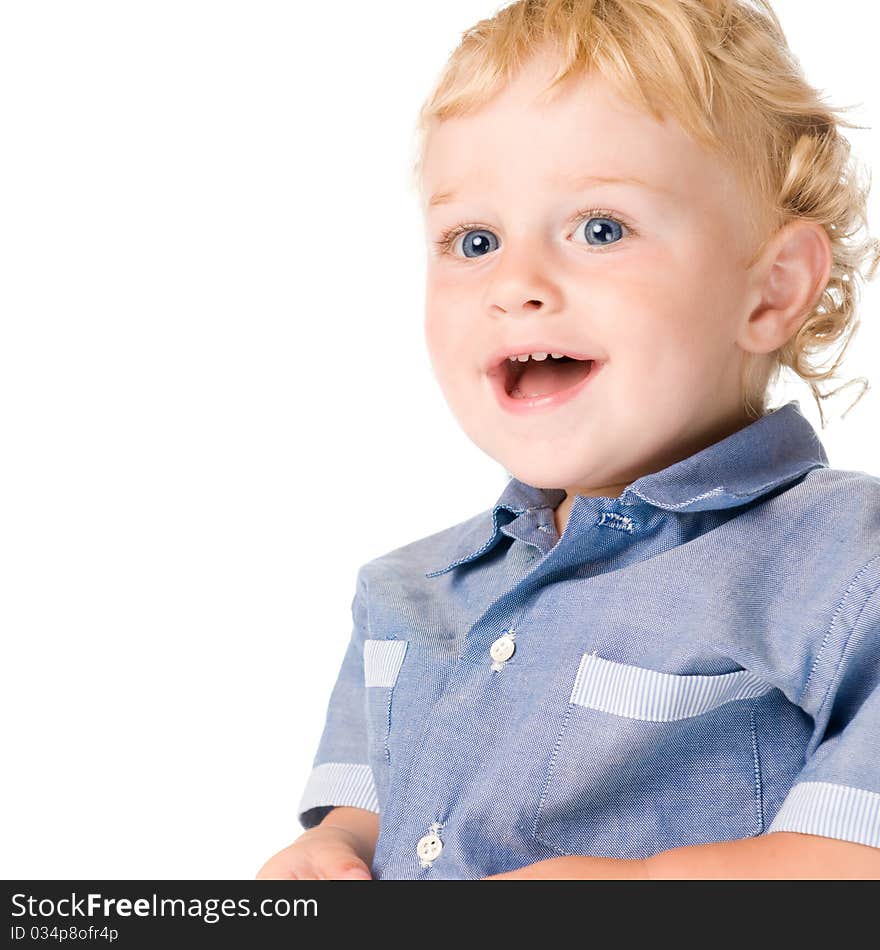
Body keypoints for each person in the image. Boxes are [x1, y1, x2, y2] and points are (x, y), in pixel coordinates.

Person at [257, 0, 880, 880]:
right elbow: (370, 808)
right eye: (474, 240)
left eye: (600, 229)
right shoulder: (407, 593)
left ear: (771, 291)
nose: (516, 285)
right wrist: (332, 849)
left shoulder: (845, 567)